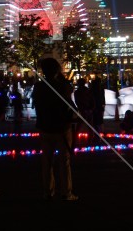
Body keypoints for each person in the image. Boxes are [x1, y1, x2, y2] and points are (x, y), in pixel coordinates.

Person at [32, 57, 78, 201]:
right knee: (64, 161)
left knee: (47, 161)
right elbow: (71, 107)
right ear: (57, 70)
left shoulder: (38, 87)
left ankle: (48, 191)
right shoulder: (63, 87)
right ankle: (66, 192)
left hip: (45, 126)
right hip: (62, 127)